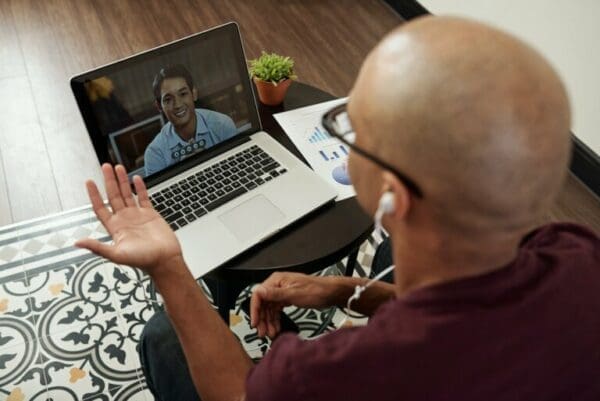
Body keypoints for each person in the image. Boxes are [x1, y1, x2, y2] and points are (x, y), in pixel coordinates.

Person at [76, 16, 600, 401]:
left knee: (164, 334)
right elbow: (469, 314)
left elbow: (237, 394)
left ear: (393, 193)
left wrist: (168, 266)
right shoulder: (580, 254)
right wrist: (348, 291)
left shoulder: (328, 375)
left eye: (350, 126)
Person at [144, 64, 237, 176]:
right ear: (159, 106)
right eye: (168, 100)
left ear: (194, 94)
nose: (177, 105)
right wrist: (183, 171)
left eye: (183, 94)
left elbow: (237, 169)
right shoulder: (155, 153)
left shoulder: (222, 125)